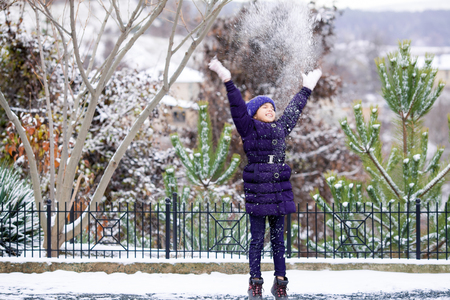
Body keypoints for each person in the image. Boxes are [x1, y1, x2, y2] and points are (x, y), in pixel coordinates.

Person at [209, 58, 322, 300]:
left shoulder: (280, 128)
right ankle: (255, 283)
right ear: (255, 114)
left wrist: (306, 88)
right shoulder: (248, 129)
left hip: (279, 189)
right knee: (257, 240)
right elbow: (238, 107)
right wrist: (227, 80)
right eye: (265, 108)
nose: (271, 109)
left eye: (272, 107)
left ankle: (280, 283)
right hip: (259, 190)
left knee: (279, 241)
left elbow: (294, 109)